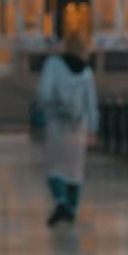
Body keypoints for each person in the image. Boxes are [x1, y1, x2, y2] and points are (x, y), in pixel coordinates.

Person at [37, 34, 99, 227]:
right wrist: (92, 128)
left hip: (56, 124)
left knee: (55, 167)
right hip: (78, 126)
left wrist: (54, 109)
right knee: (75, 169)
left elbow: (44, 93)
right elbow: (91, 103)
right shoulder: (86, 71)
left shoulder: (53, 65)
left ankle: (61, 202)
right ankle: (71, 208)